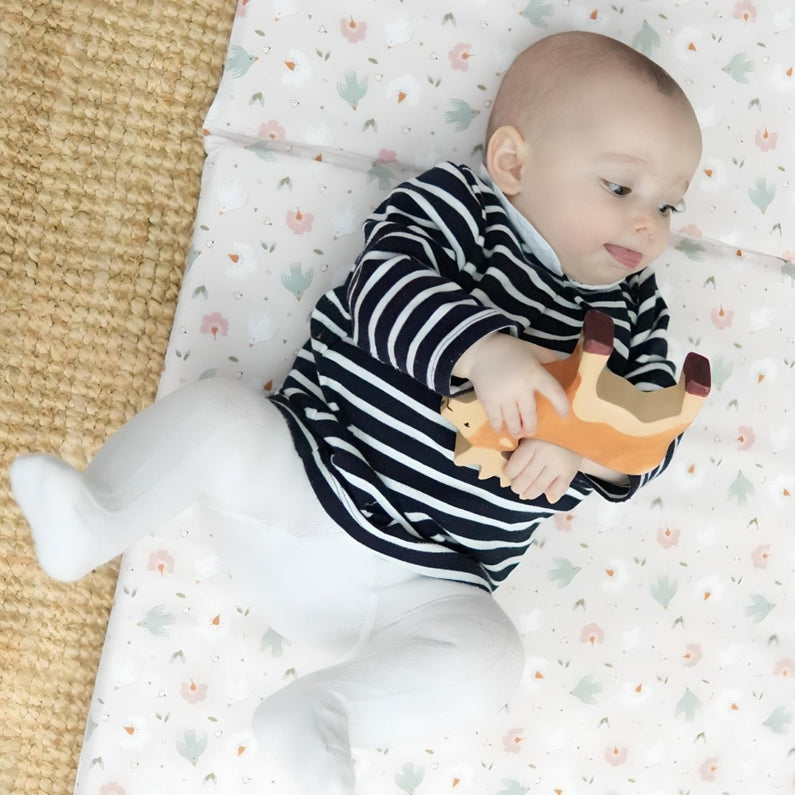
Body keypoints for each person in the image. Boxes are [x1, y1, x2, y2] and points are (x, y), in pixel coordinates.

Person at [10, 31, 702, 795]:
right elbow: (381, 286)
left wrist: (582, 448)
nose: (649, 225)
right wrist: (481, 349)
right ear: (512, 163)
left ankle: (320, 713)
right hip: (309, 482)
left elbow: (651, 435)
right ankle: (98, 517)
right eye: (619, 188)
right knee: (222, 414)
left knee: (491, 655)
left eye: (668, 204)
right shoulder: (465, 209)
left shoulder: (635, 308)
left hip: (430, 586)